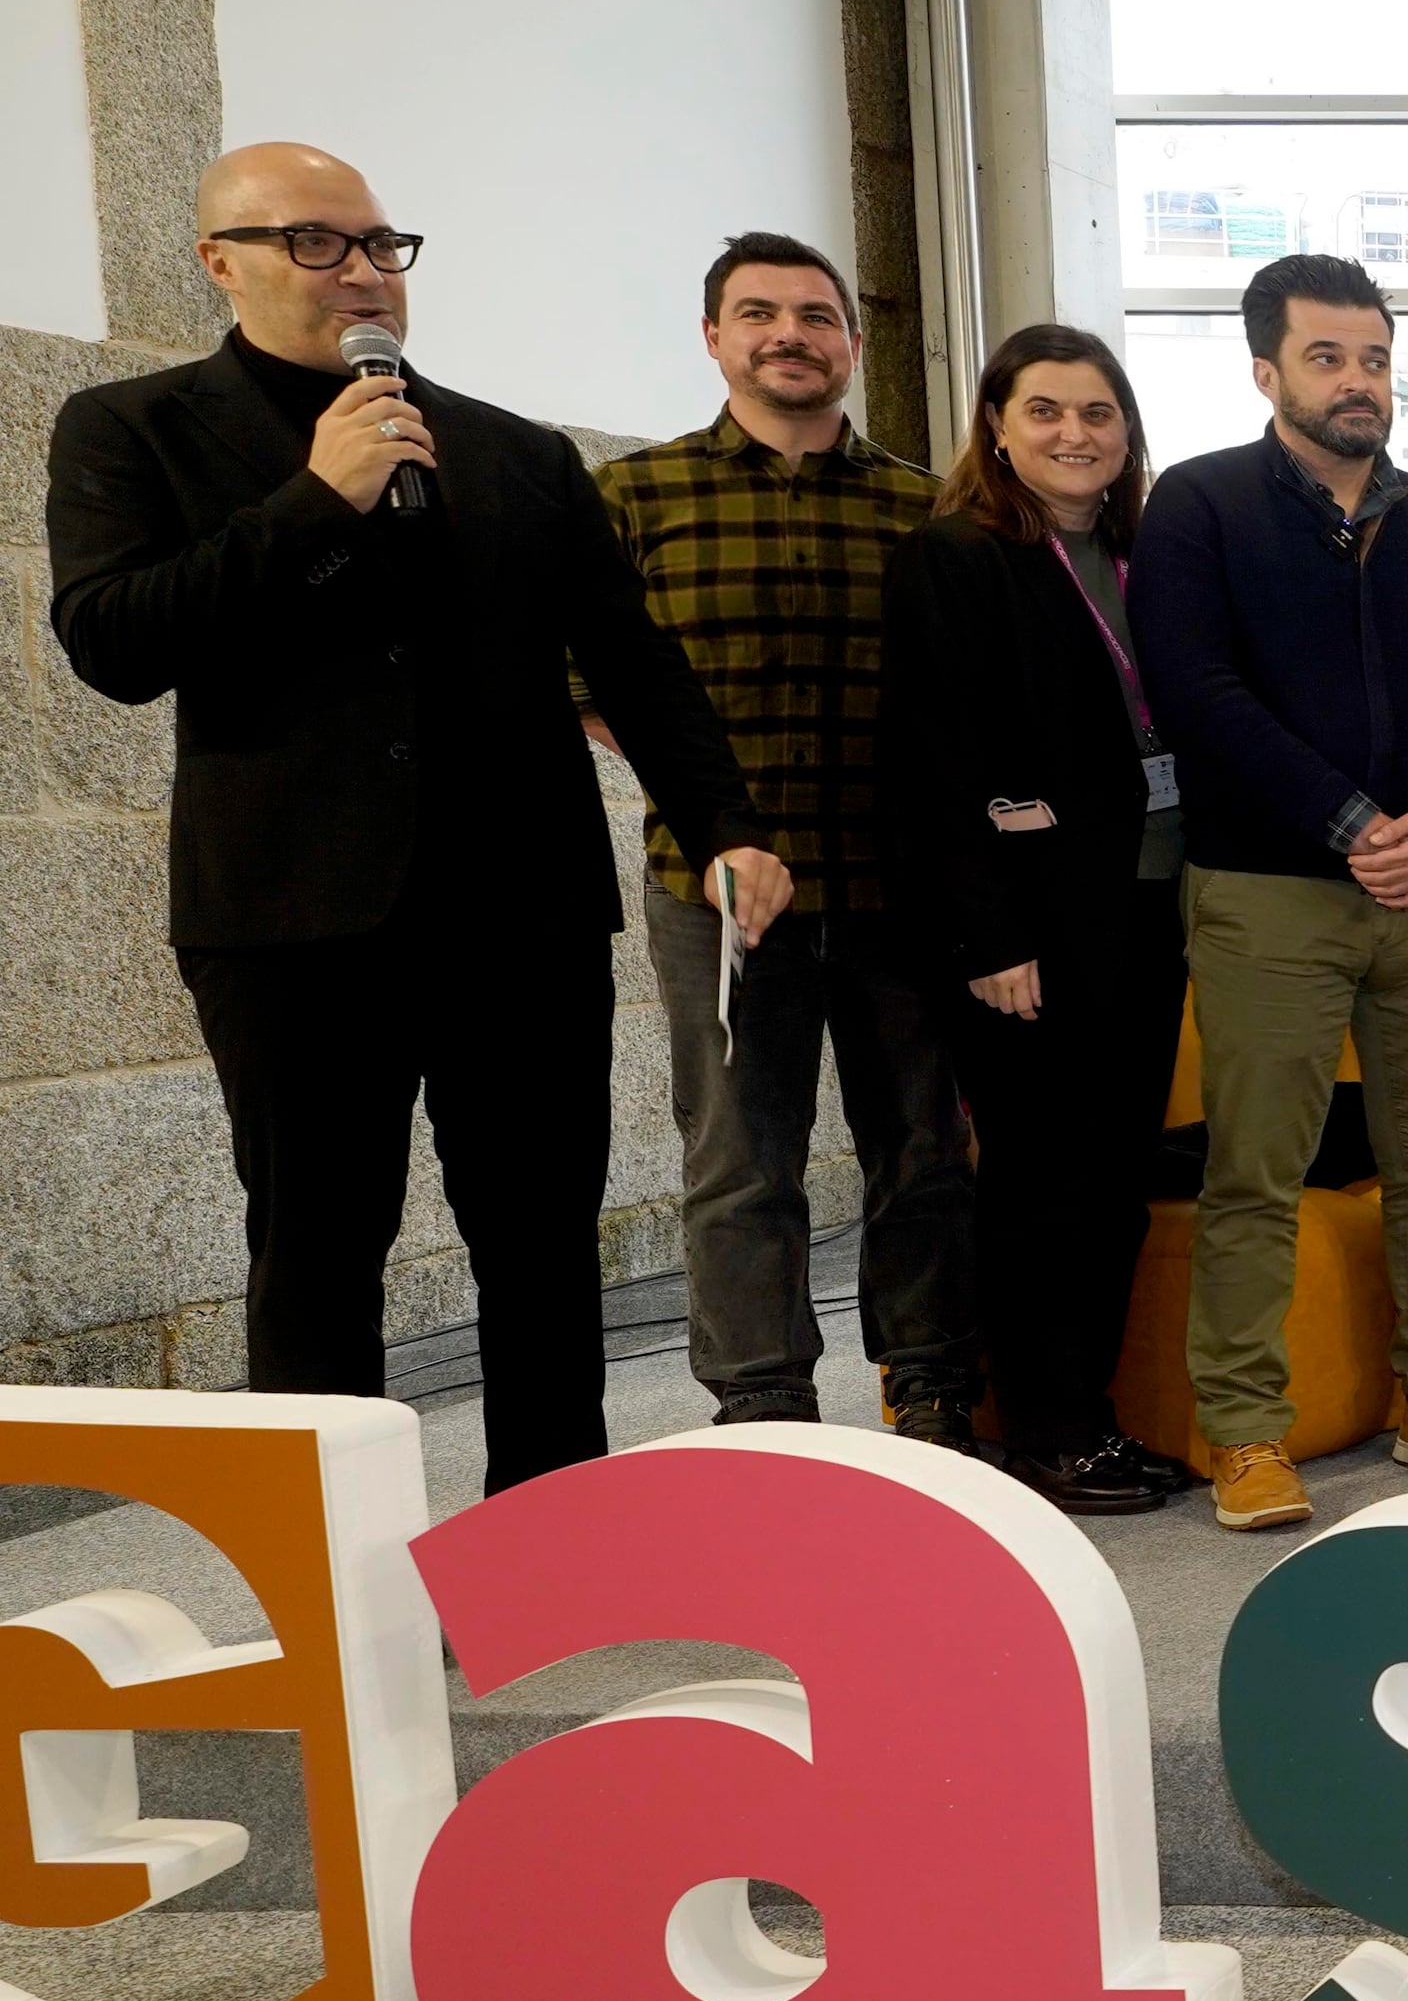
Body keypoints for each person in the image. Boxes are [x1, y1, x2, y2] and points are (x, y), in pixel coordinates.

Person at [44, 141, 782, 1491]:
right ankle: (332, 1561)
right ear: (223, 262)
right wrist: (313, 501)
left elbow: (633, 662)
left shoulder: (515, 452)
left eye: (383, 244)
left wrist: (727, 823)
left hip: (524, 911)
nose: (364, 270)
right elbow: (114, 643)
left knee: (542, 1242)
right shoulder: (133, 428)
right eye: (318, 243)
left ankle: (549, 1537)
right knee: (320, 1244)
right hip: (290, 918)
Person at [1135, 252, 1408, 1531]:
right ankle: (1246, 1430)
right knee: (1257, 1168)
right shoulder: (1195, 509)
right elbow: (1199, 696)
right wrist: (1354, 819)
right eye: (1326, 357)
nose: (1356, 381)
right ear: (1266, 370)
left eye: (1371, 357)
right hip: (1271, 891)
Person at [588, 232, 979, 1445]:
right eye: (759, 314)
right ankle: (764, 1407)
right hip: (714, 895)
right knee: (741, 1161)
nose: (788, 336)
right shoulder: (633, 497)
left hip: (898, 891)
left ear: (852, 347)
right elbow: (594, 683)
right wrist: (712, 829)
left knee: (920, 1151)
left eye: (815, 317)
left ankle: (928, 1385)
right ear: (714, 337)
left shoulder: (928, 505)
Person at [880, 328, 1195, 1517]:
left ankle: (1089, 1421)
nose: (1076, 435)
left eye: (1098, 414)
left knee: (1111, 1180)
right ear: (997, 426)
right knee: (1039, 1185)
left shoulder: (1138, 554)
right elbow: (934, 770)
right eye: (1048, 411)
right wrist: (990, 941)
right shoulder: (954, 560)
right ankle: (1049, 1432)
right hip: (1029, 935)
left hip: (1144, 906)